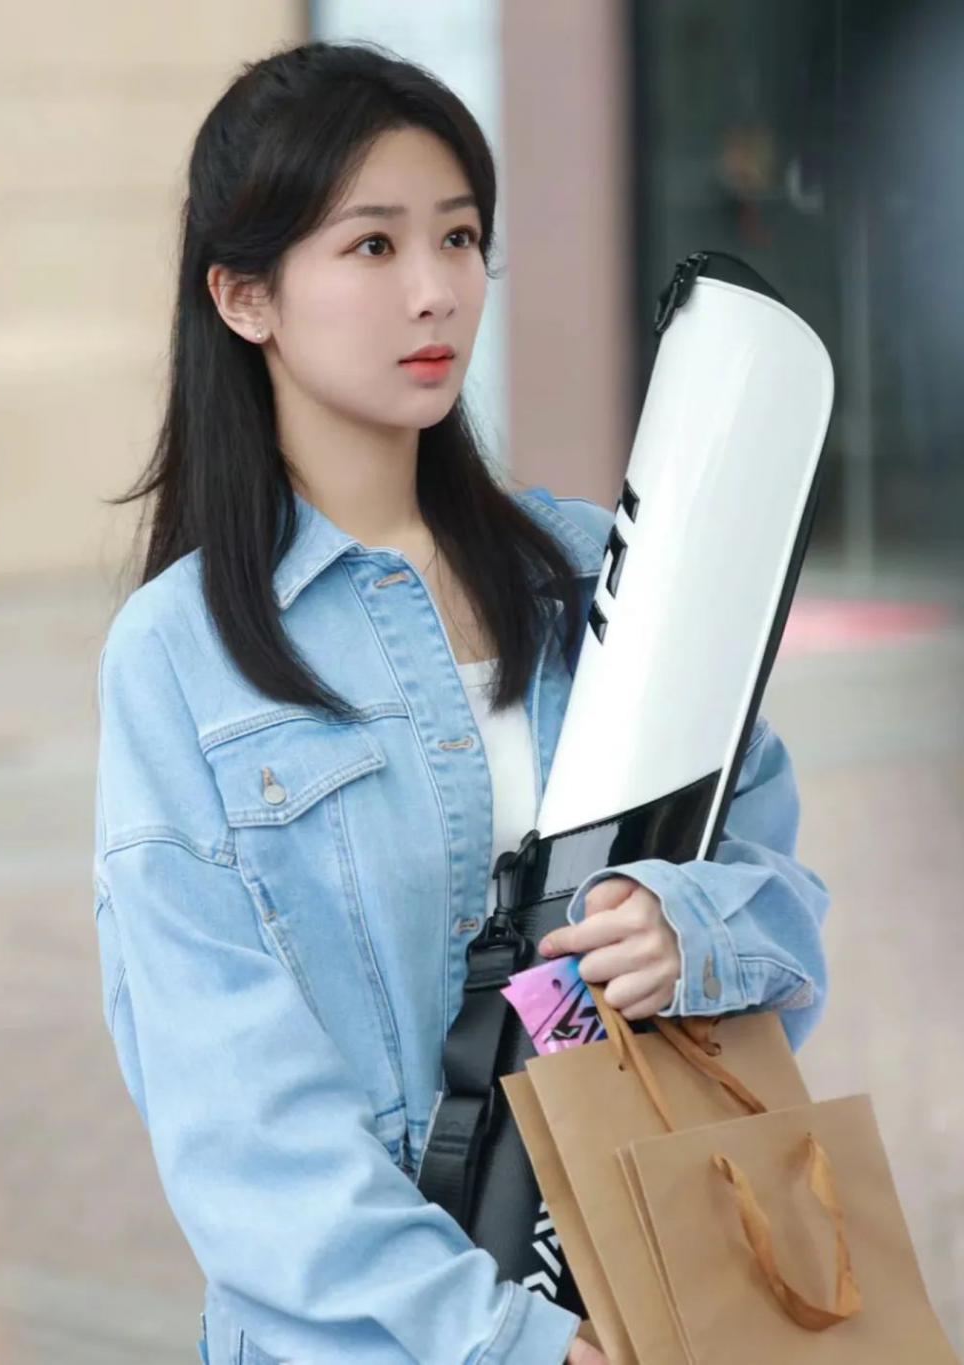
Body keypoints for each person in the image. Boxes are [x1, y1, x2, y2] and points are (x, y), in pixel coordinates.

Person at [92, 39, 831, 1365]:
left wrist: (692, 931)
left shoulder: (598, 575)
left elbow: (783, 897)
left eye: (461, 237)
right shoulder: (179, 656)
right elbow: (239, 1124)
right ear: (246, 296)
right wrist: (504, 1342)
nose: (436, 289)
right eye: (373, 246)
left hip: (655, 1292)